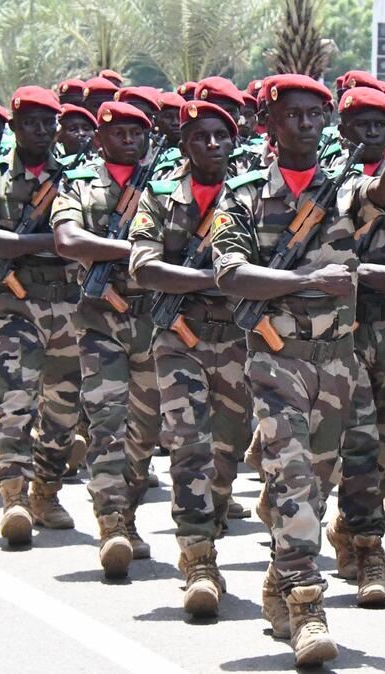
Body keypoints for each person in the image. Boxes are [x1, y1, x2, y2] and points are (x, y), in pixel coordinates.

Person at [210, 73, 385, 666]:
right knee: (294, 480)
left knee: (315, 487)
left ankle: (278, 576)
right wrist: (304, 281)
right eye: (293, 115)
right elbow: (231, 275)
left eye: (314, 116)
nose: (305, 124)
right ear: (270, 124)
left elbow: (382, 197)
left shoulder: (345, 187)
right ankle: (306, 604)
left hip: (338, 363)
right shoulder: (243, 194)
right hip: (278, 360)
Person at [129, 100, 248, 617]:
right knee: (188, 446)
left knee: (228, 449)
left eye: (221, 137)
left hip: (243, 340)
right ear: (185, 144)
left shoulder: (251, 194)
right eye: (201, 137)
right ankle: (198, 557)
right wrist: (217, 280)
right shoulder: (157, 197)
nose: (213, 145)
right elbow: (145, 268)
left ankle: (211, 526)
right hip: (180, 336)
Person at [0, 86, 82, 546]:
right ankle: (13, 495)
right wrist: (52, 243)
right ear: (13, 126)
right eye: (30, 122)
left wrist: (20, 242)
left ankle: (46, 491)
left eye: (48, 122)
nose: (41, 129)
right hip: (15, 303)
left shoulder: (74, 175)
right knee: (14, 399)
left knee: (63, 407)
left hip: (71, 305)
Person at [52, 101, 159, 578]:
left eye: (139, 133)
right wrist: (137, 251)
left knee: (146, 428)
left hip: (154, 323)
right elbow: (69, 241)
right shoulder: (78, 185)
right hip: (100, 323)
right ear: (101, 139)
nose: (131, 140)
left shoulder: (161, 186)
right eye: (121, 133)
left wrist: (126, 254)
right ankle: (111, 521)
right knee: (106, 421)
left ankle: (129, 511)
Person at [323, 86, 385, 608]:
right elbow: (308, 254)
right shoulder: (326, 181)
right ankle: (367, 546)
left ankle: (350, 524)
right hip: (343, 326)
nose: (370, 131)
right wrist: (362, 273)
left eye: (380, 122)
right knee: (357, 439)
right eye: (359, 122)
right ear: (342, 129)